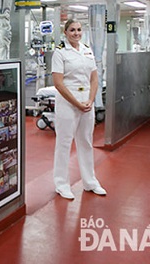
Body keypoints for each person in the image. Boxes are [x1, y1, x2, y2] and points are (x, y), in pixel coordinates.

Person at [51, 18, 106, 200]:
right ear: (65, 32)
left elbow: (94, 79)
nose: (76, 33)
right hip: (68, 102)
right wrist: (77, 103)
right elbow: (58, 83)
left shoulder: (87, 50)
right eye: (72, 30)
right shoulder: (60, 53)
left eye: (79, 30)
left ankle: (90, 181)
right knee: (64, 143)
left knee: (86, 142)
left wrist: (91, 100)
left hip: (86, 102)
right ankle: (61, 184)